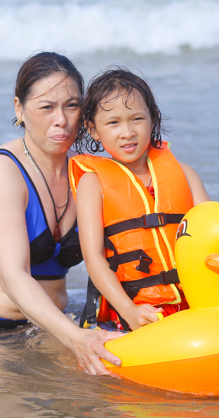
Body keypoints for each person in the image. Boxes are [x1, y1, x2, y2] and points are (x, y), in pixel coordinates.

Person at [0, 52, 123, 375]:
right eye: (46, 107)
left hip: (49, 327)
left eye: (71, 105)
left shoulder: (88, 173)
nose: (61, 120)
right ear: (19, 109)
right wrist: (77, 338)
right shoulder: (2, 172)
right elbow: (12, 277)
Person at [69, 68, 211, 332]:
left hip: (195, 303)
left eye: (137, 119)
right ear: (94, 130)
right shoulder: (94, 183)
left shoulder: (184, 174)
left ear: (153, 119)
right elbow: (93, 258)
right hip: (131, 311)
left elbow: (213, 240)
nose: (127, 132)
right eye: (113, 123)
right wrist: (129, 311)